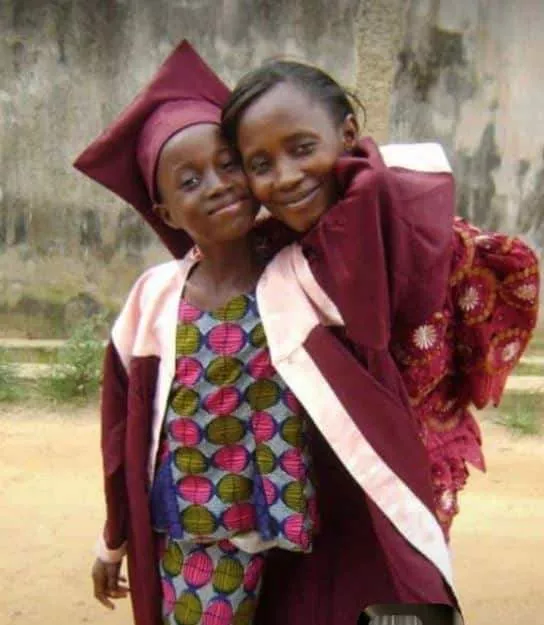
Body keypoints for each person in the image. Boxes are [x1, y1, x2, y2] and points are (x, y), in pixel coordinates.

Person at [75, 42, 460, 625]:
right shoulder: (152, 300)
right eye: (190, 179)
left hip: (293, 516)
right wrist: (114, 535)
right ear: (167, 212)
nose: (218, 185)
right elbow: (119, 428)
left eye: (231, 165)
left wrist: (340, 156)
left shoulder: (305, 269)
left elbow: (385, 199)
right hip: (196, 533)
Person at [221, 59, 540, 544]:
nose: (285, 177)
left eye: (303, 148)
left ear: (347, 133)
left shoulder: (433, 237)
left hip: (414, 478)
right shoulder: (267, 256)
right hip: (314, 483)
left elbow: (489, 314)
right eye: (260, 165)